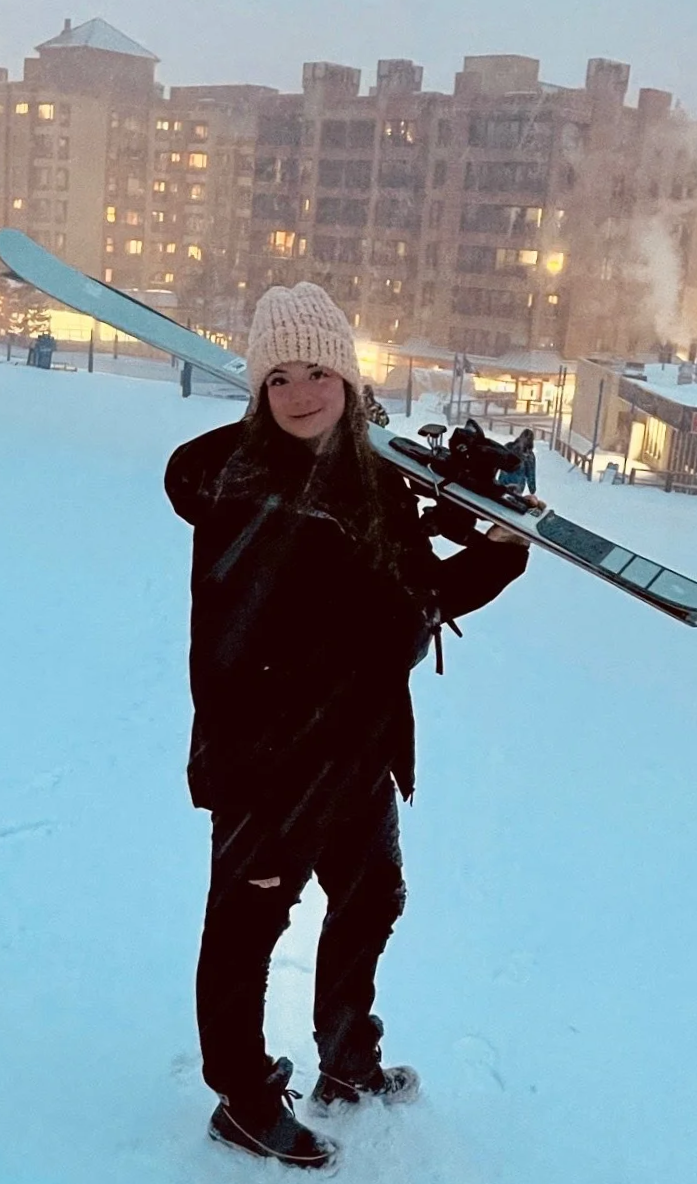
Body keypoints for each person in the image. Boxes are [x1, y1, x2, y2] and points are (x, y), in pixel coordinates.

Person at [164, 282, 530, 1170]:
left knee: (371, 899)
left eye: (316, 371)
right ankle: (242, 1099)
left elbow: (413, 600)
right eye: (278, 377)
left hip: (355, 748)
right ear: (257, 391)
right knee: (247, 927)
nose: (299, 393)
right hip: (267, 759)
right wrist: (246, 777)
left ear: (348, 377)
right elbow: (221, 654)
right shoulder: (246, 487)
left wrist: (494, 547)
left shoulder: (370, 476)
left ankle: (346, 1063)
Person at [499, 428, 546, 509]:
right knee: (511, 505)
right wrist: (532, 489)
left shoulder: (508, 446)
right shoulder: (528, 455)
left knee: (500, 501)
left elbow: (498, 460)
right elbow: (531, 473)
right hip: (518, 485)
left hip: (503, 481)